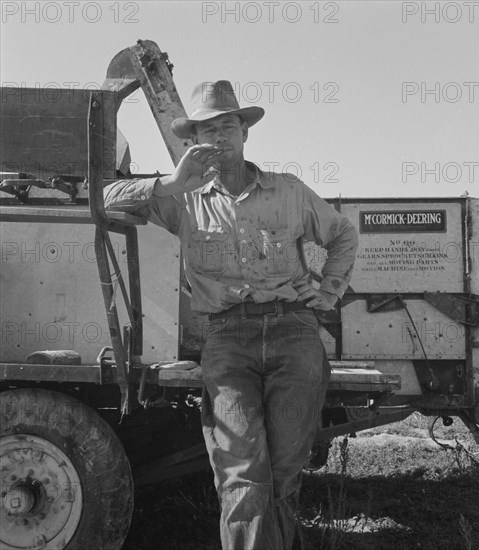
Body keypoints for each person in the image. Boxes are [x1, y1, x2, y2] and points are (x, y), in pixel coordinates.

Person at [104, 80, 358, 550]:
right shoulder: (182, 198)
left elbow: (343, 234)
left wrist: (331, 290)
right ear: (194, 140)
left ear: (245, 132)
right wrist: (171, 182)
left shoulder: (289, 191)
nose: (218, 138)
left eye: (227, 127)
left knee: (284, 471)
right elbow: (103, 199)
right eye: (207, 131)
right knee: (242, 474)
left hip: (295, 334)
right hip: (227, 340)